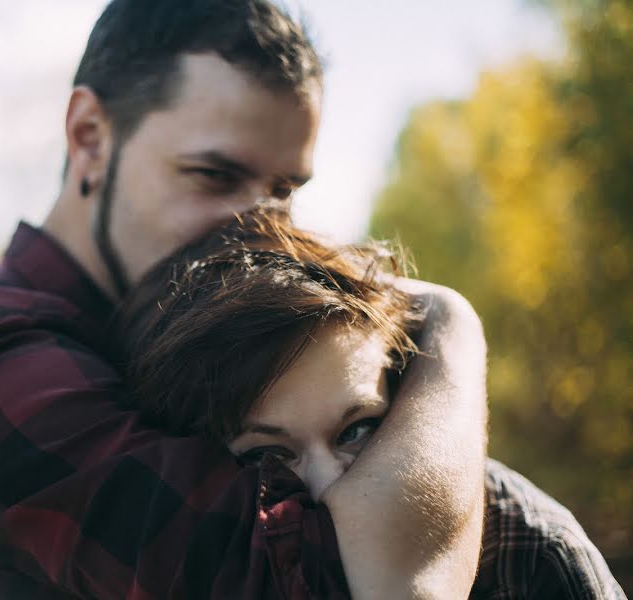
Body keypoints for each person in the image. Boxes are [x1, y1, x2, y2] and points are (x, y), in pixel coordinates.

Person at [0, 1, 489, 598]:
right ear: (89, 139)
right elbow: (339, 582)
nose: (263, 230)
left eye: (283, 191)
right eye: (214, 175)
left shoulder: (144, 346)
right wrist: (450, 327)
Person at [113, 209, 626, 599]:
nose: (330, 482)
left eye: (356, 430)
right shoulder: (178, 557)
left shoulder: (532, 550)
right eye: (265, 454)